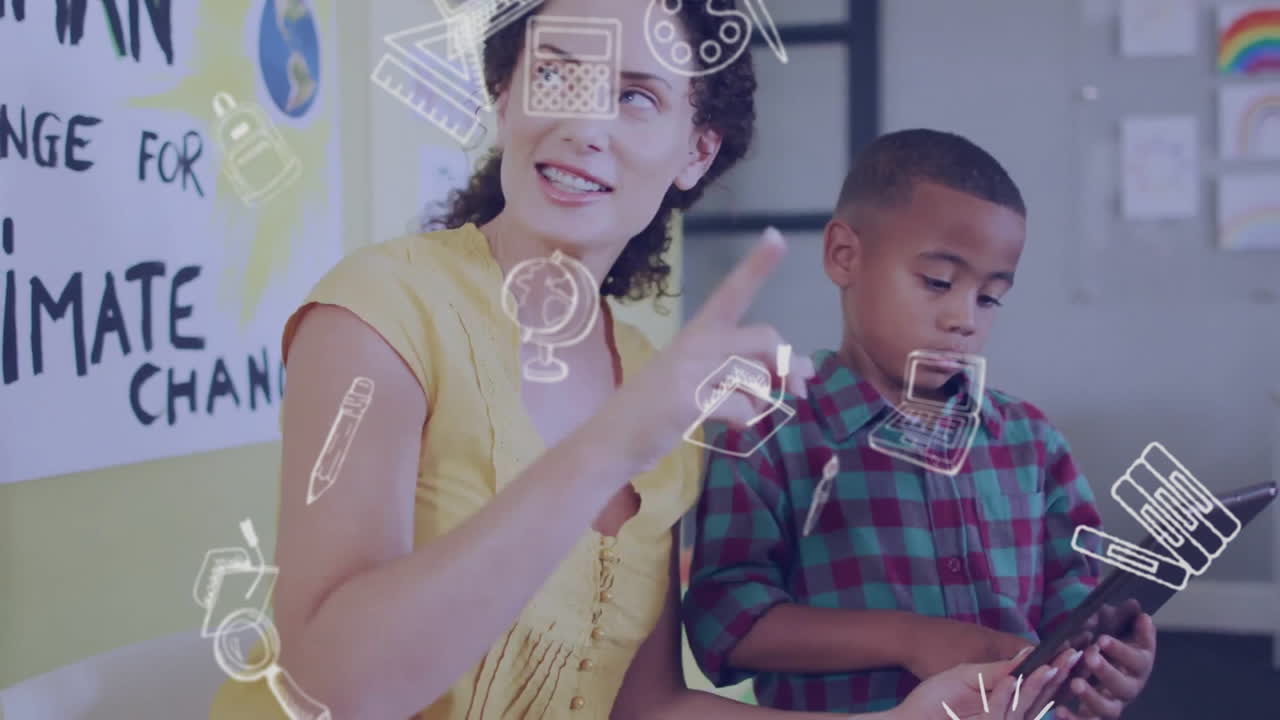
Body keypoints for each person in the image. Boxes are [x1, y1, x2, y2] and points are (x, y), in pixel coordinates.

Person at [207, 3, 1074, 717]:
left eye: (636, 96)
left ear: (696, 152)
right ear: (504, 95)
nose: (586, 124)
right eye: (555, 75)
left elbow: (646, 707)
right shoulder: (376, 312)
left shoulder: (649, 371)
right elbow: (329, 691)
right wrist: (615, 444)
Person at [681, 129, 1158, 720]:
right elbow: (725, 621)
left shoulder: (1032, 442)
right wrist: (913, 638)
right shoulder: (766, 431)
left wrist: (1105, 664)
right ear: (844, 256)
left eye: (990, 298)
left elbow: (1074, 607)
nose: (964, 319)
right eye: (937, 282)